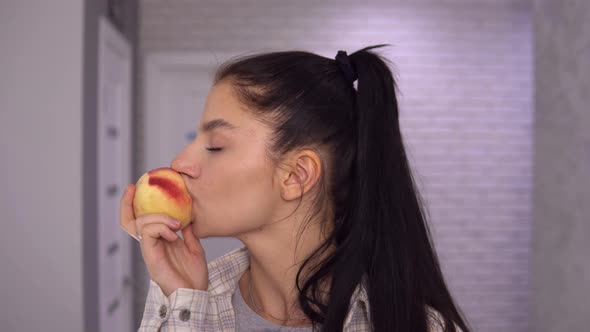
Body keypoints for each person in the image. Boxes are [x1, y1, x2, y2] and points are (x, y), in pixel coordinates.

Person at [120, 45, 471, 332]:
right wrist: (181, 300)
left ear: (296, 176)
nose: (179, 163)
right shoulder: (188, 301)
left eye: (215, 146)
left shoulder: (419, 326)